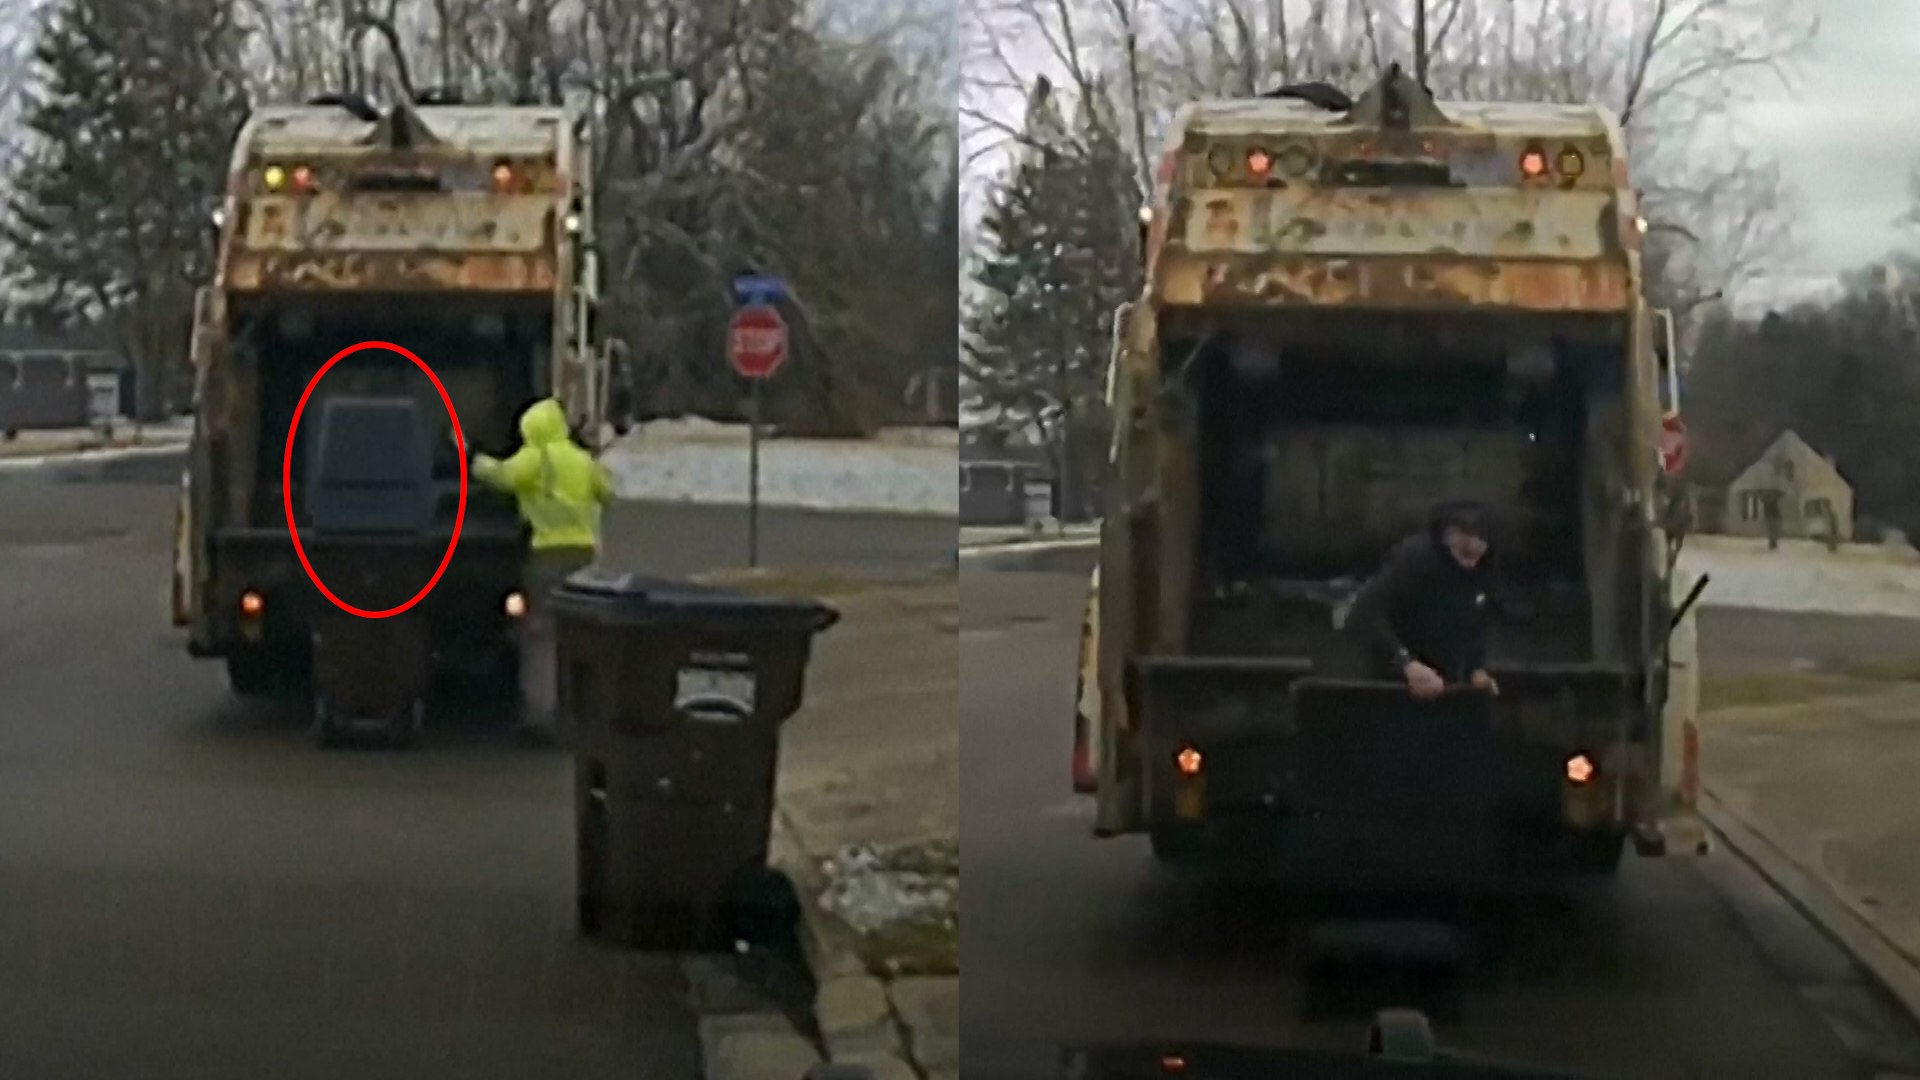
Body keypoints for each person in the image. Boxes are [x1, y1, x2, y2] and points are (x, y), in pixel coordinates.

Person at [470, 397, 615, 744]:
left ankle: (540, 715)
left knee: (540, 636)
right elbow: (608, 492)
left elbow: (502, 476)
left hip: (547, 555)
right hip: (584, 556)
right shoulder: (581, 460)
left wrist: (470, 456)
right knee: (582, 636)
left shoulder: (536, 458)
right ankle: (584, 710)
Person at [1345, 500, 1504, 702]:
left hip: (1446, 690)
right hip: (1390, 687)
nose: (1474, 545)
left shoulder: (1483, 571)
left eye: (1481, 537)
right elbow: (1364, 613)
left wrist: (1475, 670)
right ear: (1445, 534)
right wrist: (1406, 664)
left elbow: (1475, 626)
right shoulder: (1415, 559)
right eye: (1464, 535)